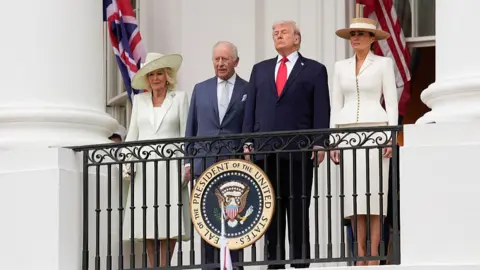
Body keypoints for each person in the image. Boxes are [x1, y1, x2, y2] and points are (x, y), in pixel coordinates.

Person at [242, 20, 331, 269]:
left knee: (299, 205)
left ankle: (300, 261)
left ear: (297, 38)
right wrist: (248, 141)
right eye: (275, 33)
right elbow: (251, 109)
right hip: (265, 150)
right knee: (271, 207)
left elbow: (322, 109)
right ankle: (275, 262)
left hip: (299, 150)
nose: (278, 36)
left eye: (283, 32)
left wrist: (320, 143)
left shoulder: (314, 70)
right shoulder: (260, 70)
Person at [329, 17, 398, 266]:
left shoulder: (383, 63)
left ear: (372, 39)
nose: (355, 38)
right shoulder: (339, 66)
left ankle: (374, 255)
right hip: (348, 134)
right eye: (352, 34)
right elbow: (336, 104)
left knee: (376, 196)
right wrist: (334, 140)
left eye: (360, 34)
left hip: (376, 133)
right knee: (354, 195)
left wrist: (390, 137)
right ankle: (359, 253)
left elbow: (391, 102)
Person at [122, 52, 191, 267]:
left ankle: (165, 265)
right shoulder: (140, 100)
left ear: (167, 76)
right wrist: (128, 162)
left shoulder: (179, 98)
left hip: (171, 169)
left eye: (159, 73)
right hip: (144, 170)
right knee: (147, 222)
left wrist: (186, 165)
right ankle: (153, 266)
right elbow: (132, 136)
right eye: (151, 74)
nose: (155, 78)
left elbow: (185, 136)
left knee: (169, 219)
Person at [185, 41, 247, 270]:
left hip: (235, 166)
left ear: (236, 61)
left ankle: (235, 266)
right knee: (207, 219)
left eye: (225, 59)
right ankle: (209, 267)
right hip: (204, 164)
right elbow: (191, 129)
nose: (220, 64)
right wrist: (188, 162)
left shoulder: (248, 90)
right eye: (216, 59)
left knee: (237, 220)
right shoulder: (200, 89)